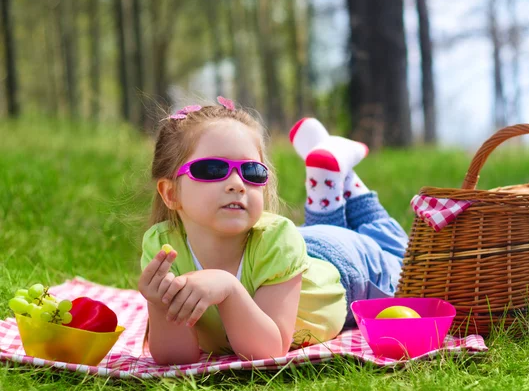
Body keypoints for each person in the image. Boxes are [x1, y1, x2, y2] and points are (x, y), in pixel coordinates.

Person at [138, 98, 408, 365]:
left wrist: (228, 288)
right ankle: (327, 175)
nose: (237, 184)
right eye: (212, 169)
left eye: (251, 171)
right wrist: (159, 303)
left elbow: (268, 350)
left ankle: (342, 177)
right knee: (328, 230)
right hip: (298, 252)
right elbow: (177, 359)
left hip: (346, 270)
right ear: (171, 193)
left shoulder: (277, 240)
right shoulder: (164, 247)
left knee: (400, 257)